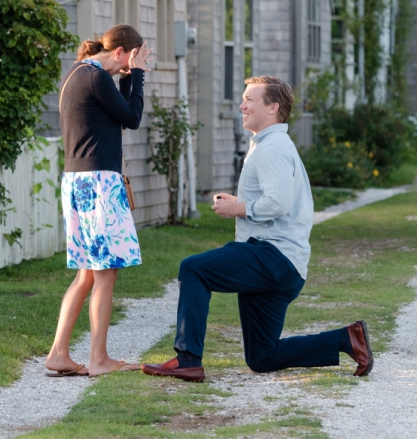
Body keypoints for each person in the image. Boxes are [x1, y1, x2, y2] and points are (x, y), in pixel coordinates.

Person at [141, 76, 373, 382]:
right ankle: (347, 339)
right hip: (283, 265)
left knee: (194, 269)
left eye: (250, 99)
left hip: (272, 256)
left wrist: (238, 208)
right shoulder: (271, 145)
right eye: (243, 98)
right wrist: (243, 202)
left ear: (273, 107)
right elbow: (276, 199)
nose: (242, 104)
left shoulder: (272, 148)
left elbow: (277, 203)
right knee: (263, 356)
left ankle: (188, 359)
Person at [45, 24, 152, 378]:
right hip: (99, 184)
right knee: (106, 272)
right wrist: (136, 75)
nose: (128, 68)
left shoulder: (80, 73)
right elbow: (132, 118)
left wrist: (128, 74)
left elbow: (119, 110)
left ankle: (59, 353)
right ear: (121, 52)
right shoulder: (95, 77)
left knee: (88, 273)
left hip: (78, 182)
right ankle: (99, 359)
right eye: (130, 60)